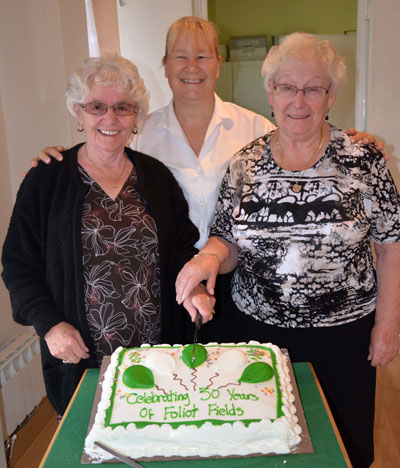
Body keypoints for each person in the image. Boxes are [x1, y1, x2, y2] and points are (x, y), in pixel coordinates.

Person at [30, 17, 380, 331]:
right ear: (165, 66)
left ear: (218, 63)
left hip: (240, 278)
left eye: (202, 56)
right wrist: (58, 157)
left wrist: (349, 141)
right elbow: (100, 153)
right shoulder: (142, 133)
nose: (191, 66)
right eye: (180, 56)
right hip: (170, 280)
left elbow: (304, 143)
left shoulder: (254, 127)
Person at [175, 32, 400, 468]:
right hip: (259, 334)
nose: (299, 100)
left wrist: (388, 325)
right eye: (287, 87)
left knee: (343, 449)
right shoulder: (244, 163)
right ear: (271, 94)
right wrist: (210, 256)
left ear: (331, 95)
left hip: (344, 338)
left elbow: (391, 245)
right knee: (265, 445)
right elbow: (228, 238)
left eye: (313, 88)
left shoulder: (363, 160)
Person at [1, 55, 213, 416]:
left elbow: (181, 248)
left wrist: (192, 287)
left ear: (136, 117)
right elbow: (18, 265)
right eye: (97, 106)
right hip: (83, 361)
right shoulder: (46, 180)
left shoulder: (157, 177)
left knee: (163, 442)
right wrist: (49, 325)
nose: (110, 118)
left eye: (123, 108)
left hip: (160, 357)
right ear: (78, 113)